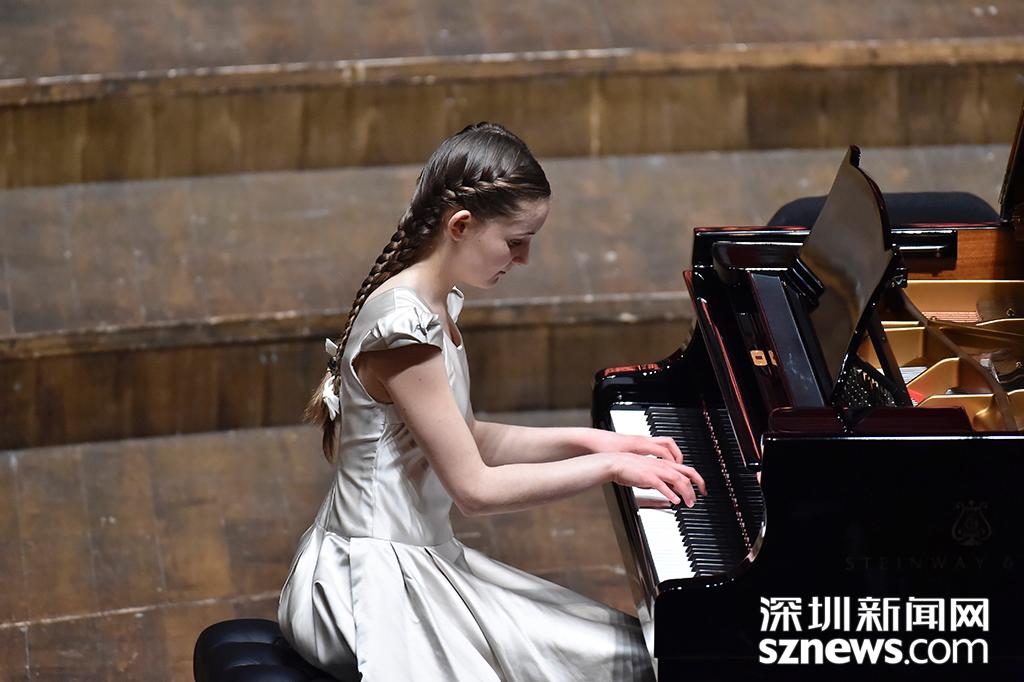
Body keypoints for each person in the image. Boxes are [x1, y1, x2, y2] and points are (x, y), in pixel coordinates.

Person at [278, 122, 706, 681]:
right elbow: (475, 490)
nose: (523, 258)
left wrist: (596, 441)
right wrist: (608, 468)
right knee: (620, 667)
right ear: (461, 225)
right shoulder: (403, 330)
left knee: (631, 652)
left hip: (415, 562)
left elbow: (471, 437)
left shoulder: (432, 303)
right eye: (515, 241)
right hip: (371, 590)